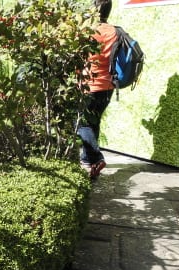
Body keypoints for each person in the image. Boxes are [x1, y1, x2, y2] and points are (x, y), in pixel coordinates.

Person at [78, 0, 116, 178]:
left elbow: (79, 58)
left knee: (82, 124)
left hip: (91, 85)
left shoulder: (89, 31)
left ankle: (96, 158)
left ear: (94, 8)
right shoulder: (114, 31)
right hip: (109, 85)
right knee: (94, 122)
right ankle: (88, 162)